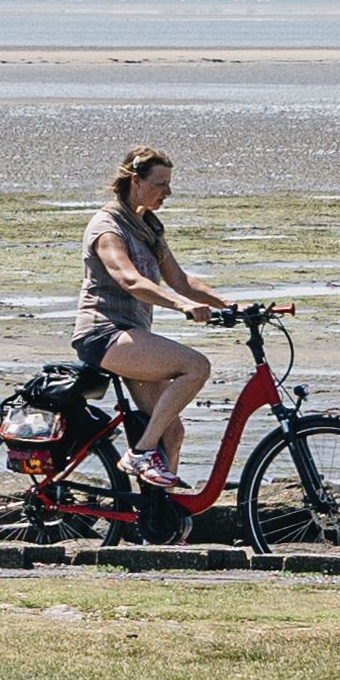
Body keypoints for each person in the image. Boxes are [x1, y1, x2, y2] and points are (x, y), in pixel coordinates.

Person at [82, 149, 244, 485]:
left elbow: (181, 281)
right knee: (195, 366)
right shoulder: (107, 227)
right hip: (104, 335)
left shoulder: (149, 228)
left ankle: (159, 514)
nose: (168, 192)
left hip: (133, 336)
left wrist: (229, 304)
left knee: (172, 432)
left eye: (169, 184)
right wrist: (181, 306)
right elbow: (129, 280)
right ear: (136, 181)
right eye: (160, 184)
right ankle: (140, 453)